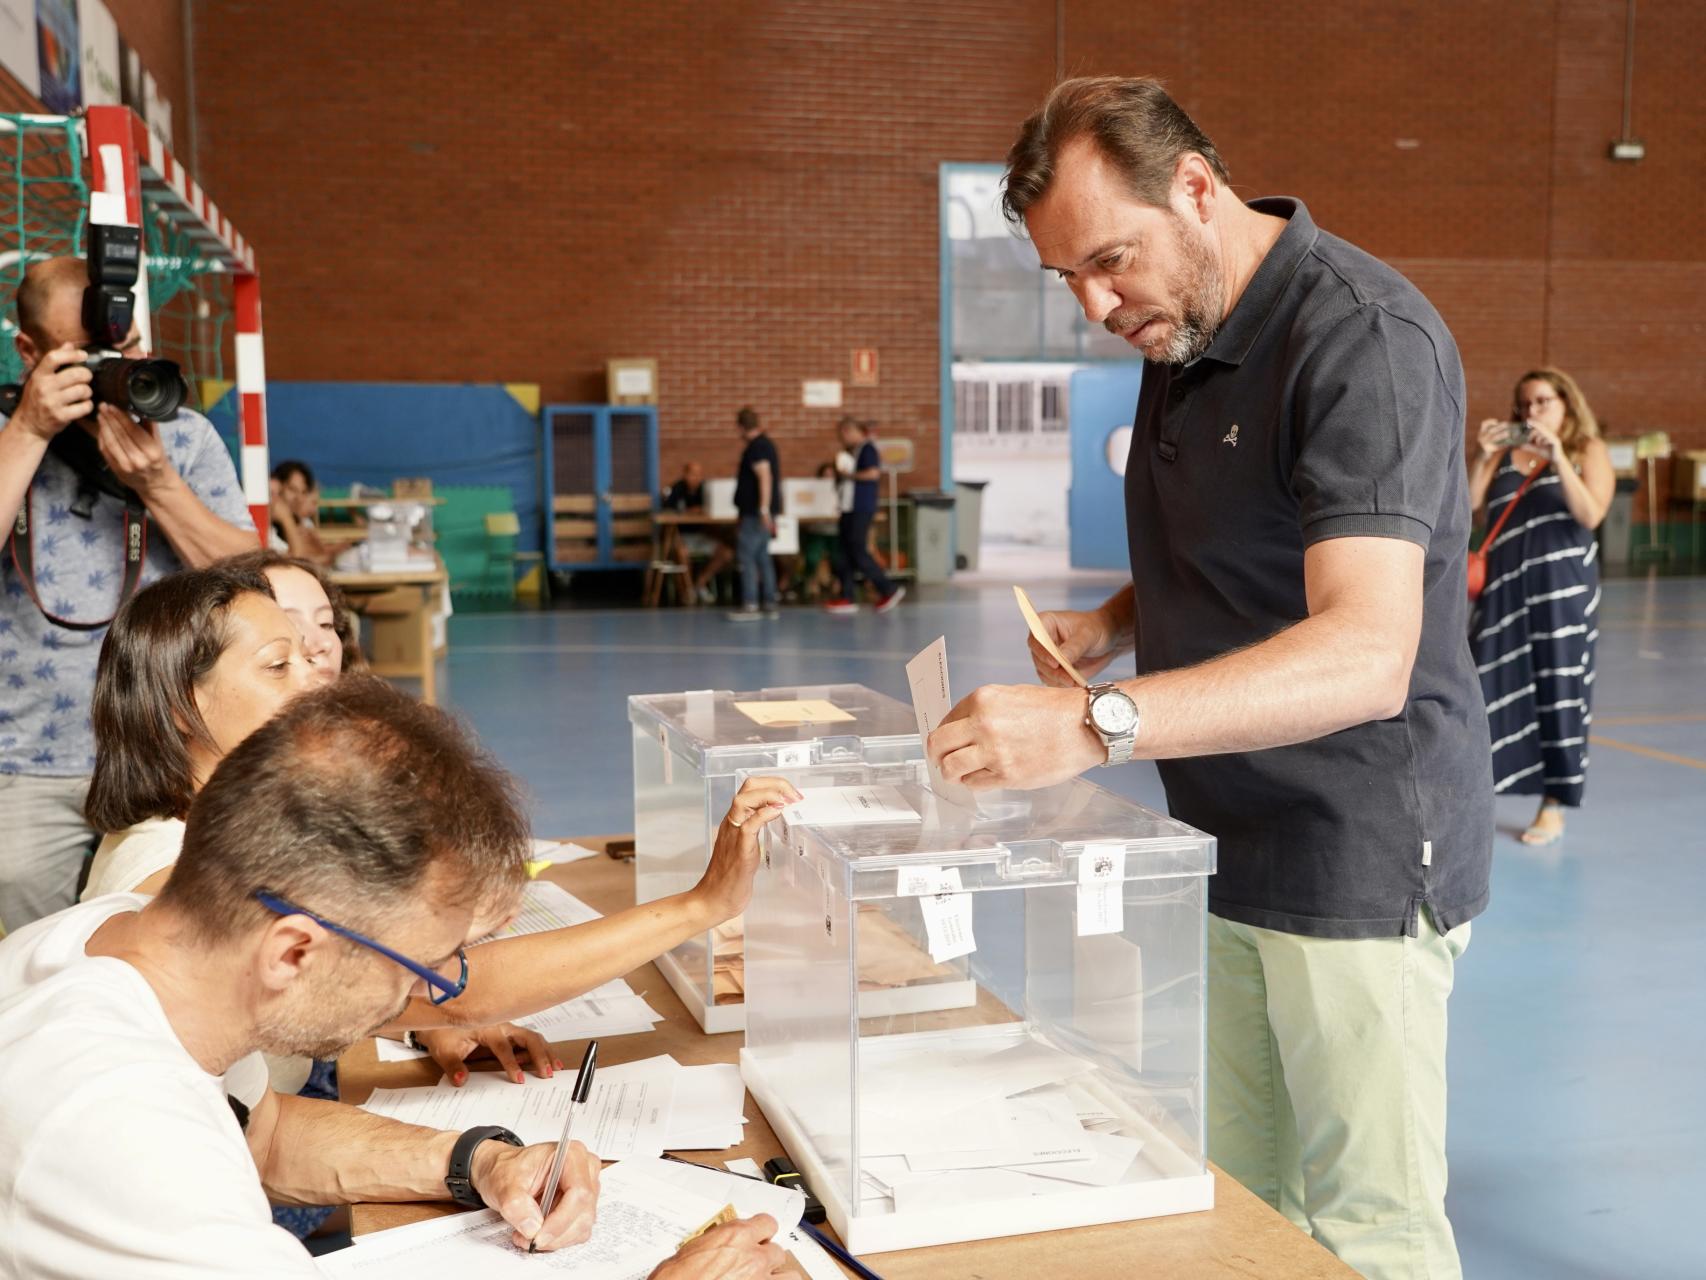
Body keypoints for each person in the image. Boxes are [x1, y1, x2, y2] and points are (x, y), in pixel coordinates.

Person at [927, 77, 1491, 1280]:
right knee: (1248, 1201)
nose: (1092, 302)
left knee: (1367, 1231)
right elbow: (1252, 543)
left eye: (1107, 260)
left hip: (1356, 850)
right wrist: (1115, 626)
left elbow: (1362, 651)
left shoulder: (1358, 341)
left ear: (1195, 185)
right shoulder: (1178, 318)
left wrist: (1093, 722)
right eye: (1064, 277)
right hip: (1223, 835)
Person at [79, 565, 801, 1088]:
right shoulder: (164, 872)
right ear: (180, 704)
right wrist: (702, 904)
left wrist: (413, 1017)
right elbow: (458, 983)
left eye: (316, 647)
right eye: (279, 663)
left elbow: (396, 988)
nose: (315, 677)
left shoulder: (225, 833)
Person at [0, 257, 256, 933]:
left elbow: (256, 580)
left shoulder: (184, 435)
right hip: (33, 751)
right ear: (29, 350)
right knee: (36, 935)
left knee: (179, 931)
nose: (114, 366)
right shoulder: (6, 433)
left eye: (126, 346)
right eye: (88, 354)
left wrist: (159, 484)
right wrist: (28, 431)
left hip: (169, 744)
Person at [1467, 368, 1612, 846]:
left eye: (1543, 402)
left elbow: (1591, 513)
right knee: (1482, 688)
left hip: (1562, 590)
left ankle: (1554, 803)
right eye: (1525, 404)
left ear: (1567, 404)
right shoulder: (1507, 453)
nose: (1532, 412)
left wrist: (1557, 459)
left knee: (1560, 689)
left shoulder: (1586, 449)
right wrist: (1484, 456)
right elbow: (1467, 505)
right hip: (1505, 588)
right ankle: (1473, 796)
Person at [824, 417, 904, 614]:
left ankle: (888, 588)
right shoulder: (855, 452)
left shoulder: (868, 449)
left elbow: (872, 474)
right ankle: (847, 596)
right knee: (844, 553)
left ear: (850, 431)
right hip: (849, 508)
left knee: (858, 551)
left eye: (843, 434)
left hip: (861, 508)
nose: (842, 439)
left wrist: (849, 475)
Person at [729, 406, 780, 621]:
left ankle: (750, 603)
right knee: (762, 557)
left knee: (747, 556)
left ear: (741, 427)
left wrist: (763, 509)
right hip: (760, 512)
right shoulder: (764, 445)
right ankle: (769, 602)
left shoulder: (757, 448)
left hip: (755, 513)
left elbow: (764, 477)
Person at [662, 461, 733, 603]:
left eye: (699, 474)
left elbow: (714, 510)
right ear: (685, 474)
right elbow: (667, 512)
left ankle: (700, 583)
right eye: (692, 474)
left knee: (727, 553)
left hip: (703, 535)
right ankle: (687, 592)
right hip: (682, 537)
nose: (696, 477)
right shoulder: (677, 489)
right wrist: (688, 512)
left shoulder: (705, 490)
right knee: (681, 553)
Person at [268, 459, 334, 566]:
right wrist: (286, 519)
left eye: (303, 492)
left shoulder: (299, 522)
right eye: (292, 489)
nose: (299, 498)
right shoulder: (268, 527)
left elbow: (321, 557)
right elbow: (299, 563)